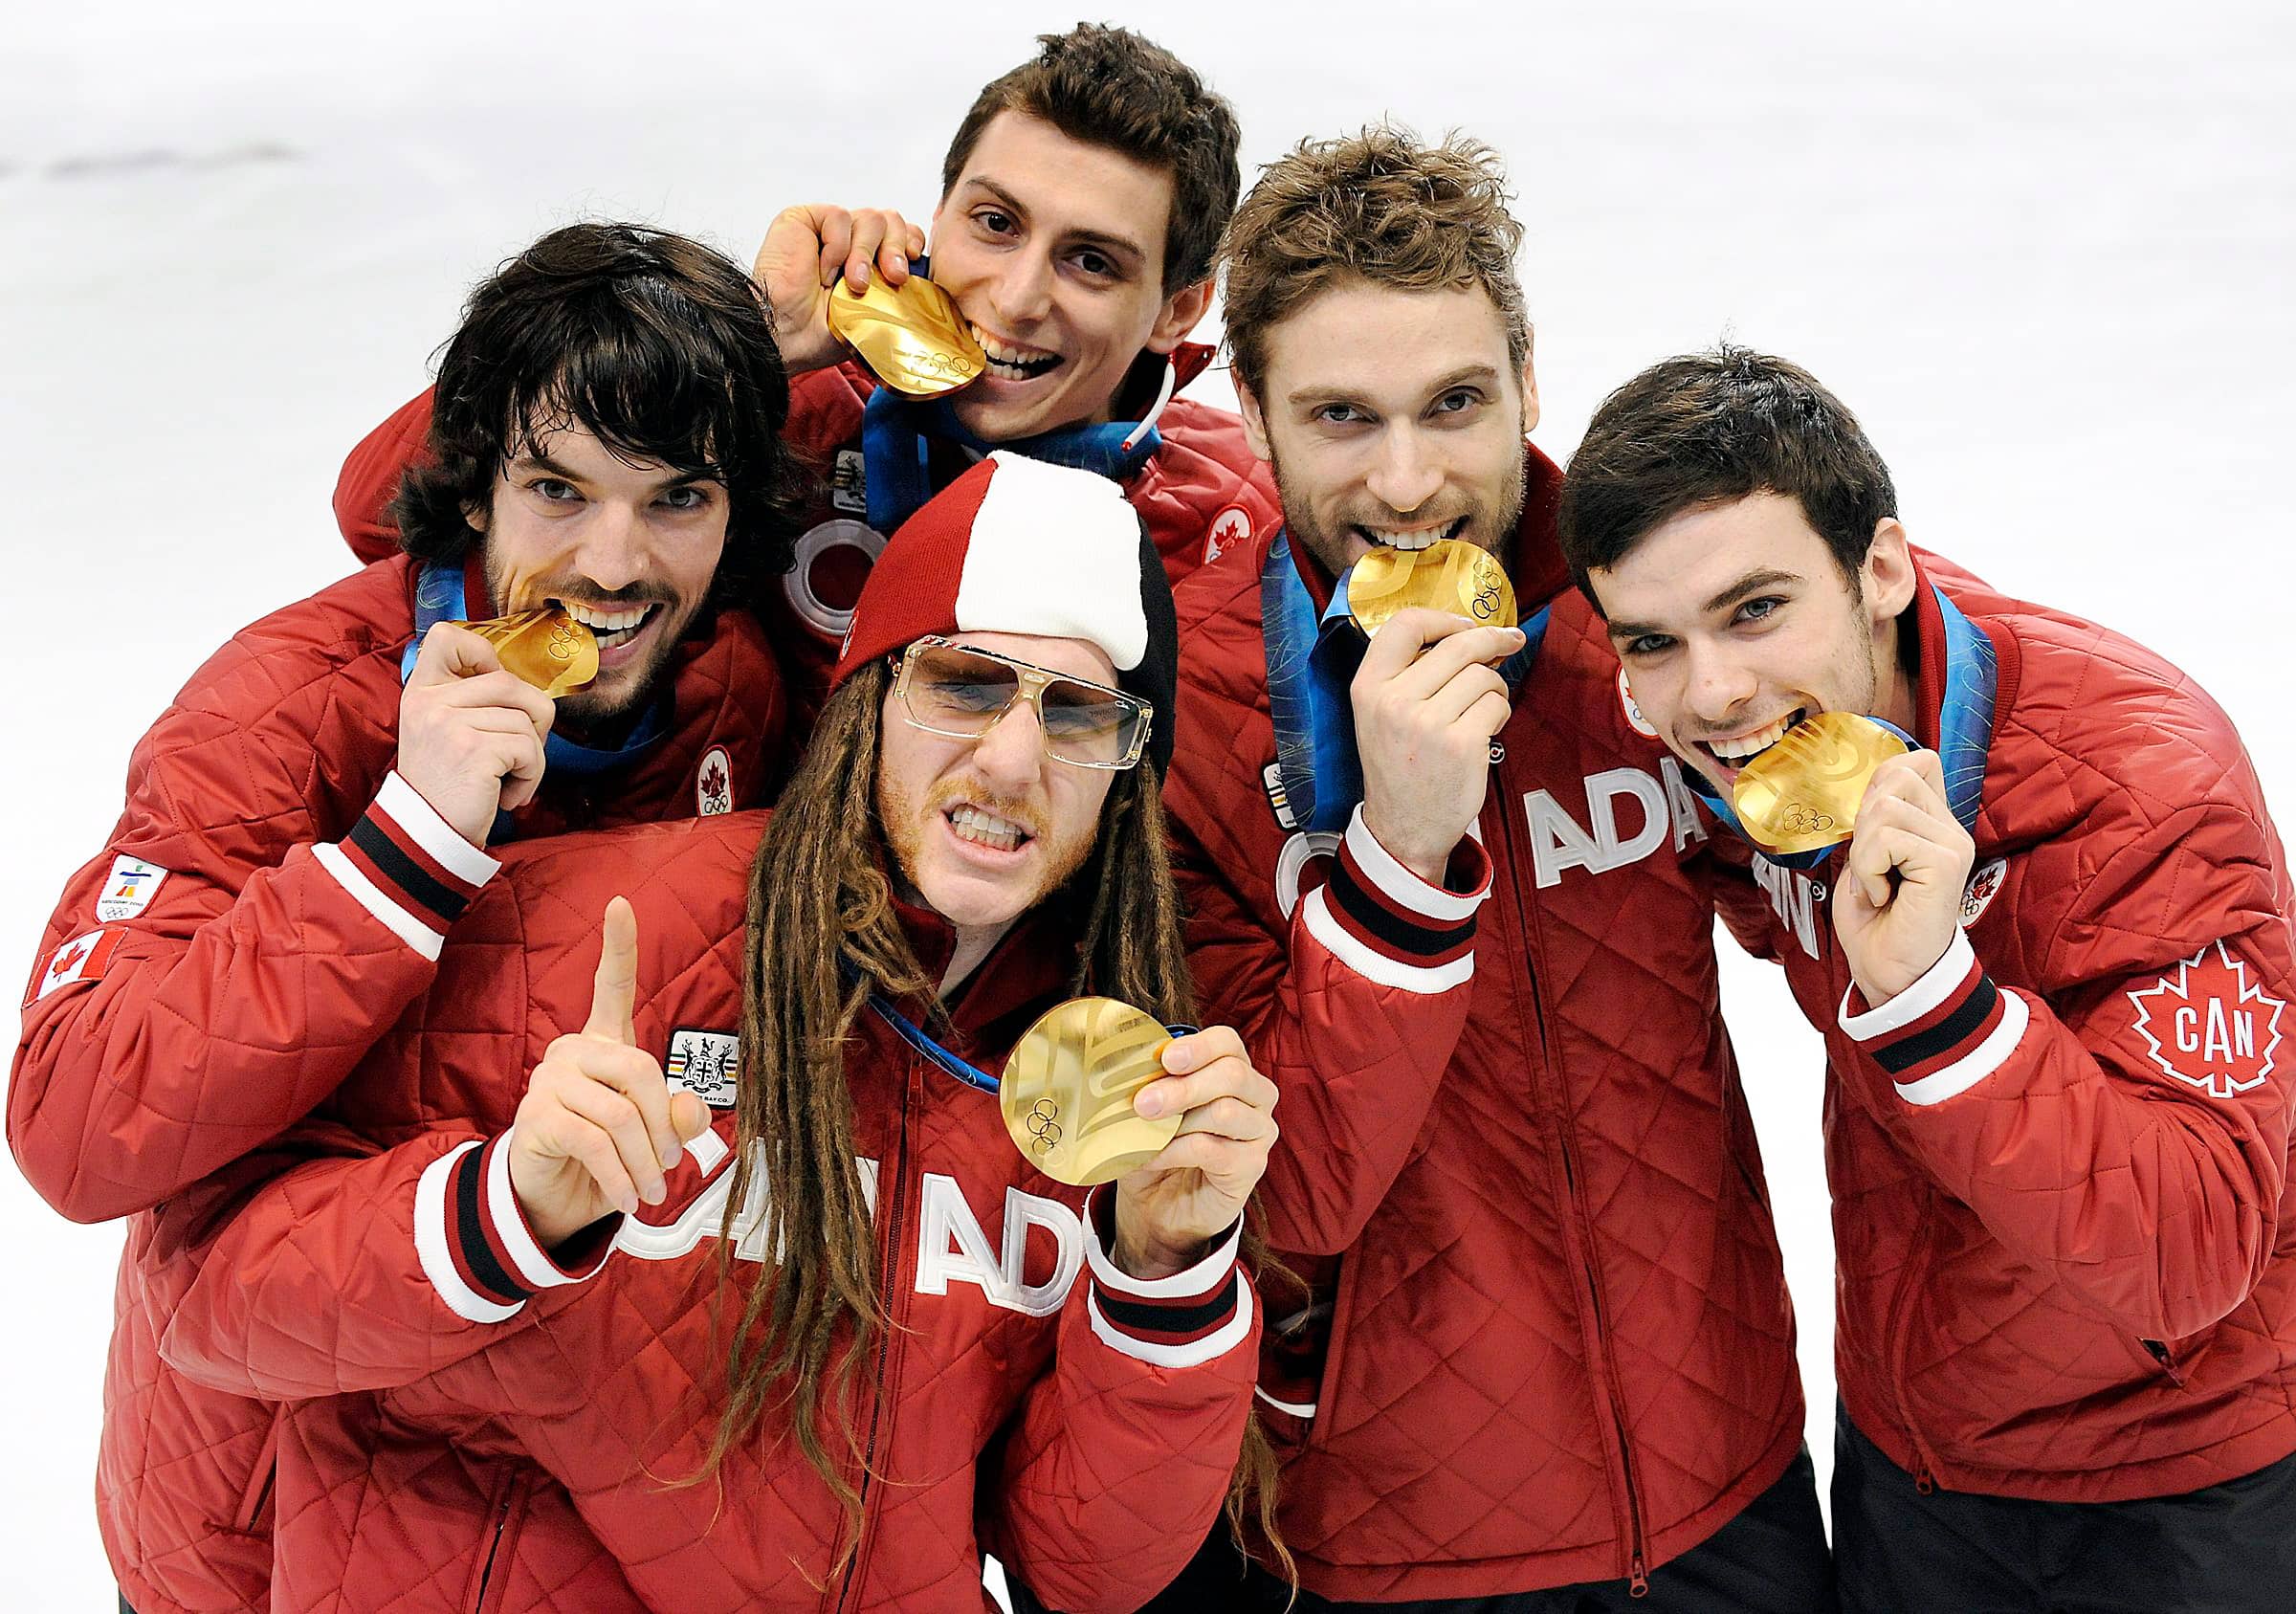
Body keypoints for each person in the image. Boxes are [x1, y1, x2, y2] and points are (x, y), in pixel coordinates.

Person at [155, 453, 1273, 1611]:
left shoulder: (1110, 1089)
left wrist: (1164, 1272)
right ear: (867, 703)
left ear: (1128, 772)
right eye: (964, 686)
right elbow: (208, 1307)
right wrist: (506, 1207)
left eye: (1081, 715)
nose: (1011, 759)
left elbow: (1084, 1571)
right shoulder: (579, 930)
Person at [10, 222, 803, 1614]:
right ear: (472, 490)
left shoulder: (738, 687)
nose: (613, 566)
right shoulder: (289, 703)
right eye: (558, 488)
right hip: (255, 1530)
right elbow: (77, 1120)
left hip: (582, 1516)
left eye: (676, 497)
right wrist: (405, 843)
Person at [1115, 130, 1830, 1610]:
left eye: (1455, 403)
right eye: (1340, 416)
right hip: (1385, 1539)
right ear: (1253, 413)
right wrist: (1401, 849)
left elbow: (1896, 681)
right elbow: (1283, 1190)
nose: (1410, 479)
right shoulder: (1182, 705)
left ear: (1525, 375)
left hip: (1728, 1484)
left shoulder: (1655, 616)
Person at [1556, 345, 2296, 1613]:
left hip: (2180, 1492)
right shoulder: (1752, 751)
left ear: (1882, 566)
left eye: (1755, 608)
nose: (1715, 690)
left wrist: (1934, 1001)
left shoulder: (2141, 786)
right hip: (1914, 1461)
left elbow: (2192, 1252)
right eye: (1653, 642)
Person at [335, 23, 1280, 721]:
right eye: (994, 224)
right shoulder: (790, 409)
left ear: (1178, 309)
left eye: (1092, 261)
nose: (1020, 295)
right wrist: (744, 339)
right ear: (938, 213)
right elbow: (381, 513)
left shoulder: (1236, 523)